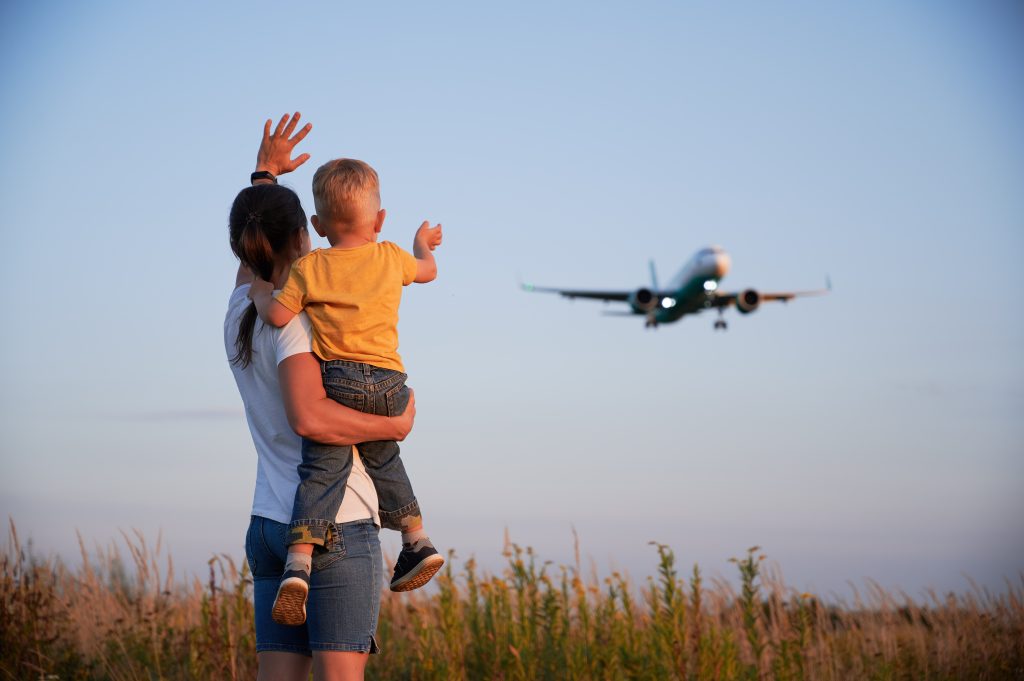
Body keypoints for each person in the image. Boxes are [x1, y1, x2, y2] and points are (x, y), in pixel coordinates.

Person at [226, 112, 405, 680]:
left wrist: (264, 177)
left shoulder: (240, 308)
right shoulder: (298, 322)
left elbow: (254, 249)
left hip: (267, 523)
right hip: (335, 525)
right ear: (306, 236)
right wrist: (392, 428)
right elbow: (310, 416)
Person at [248, 152, 444, 626]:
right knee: (384, 458)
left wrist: (259, 293)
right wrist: (423, 244)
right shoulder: (392, 255)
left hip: (341, 380)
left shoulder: (311, 267)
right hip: (391, 383)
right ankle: (417, 539)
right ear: (379, 219)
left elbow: (277, 317)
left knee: (322, 465)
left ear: (316, 223)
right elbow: (428, 271)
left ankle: (298, 562)